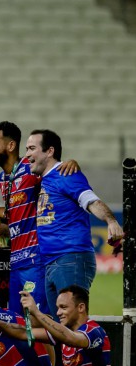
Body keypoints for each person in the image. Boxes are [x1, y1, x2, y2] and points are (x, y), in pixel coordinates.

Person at [0, 122, 80, 314]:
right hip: (15, 261)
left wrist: (70, 163)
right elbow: (15, 212)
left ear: (10, 146)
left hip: (34, 259)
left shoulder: (31, 169)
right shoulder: (3, 178)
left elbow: (54, 175)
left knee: (39, 319)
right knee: (17, 321)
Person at [25, 129, 124, 311]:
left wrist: (111, 221)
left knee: (73, 323)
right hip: (51, 261)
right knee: (60, 328)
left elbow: (91, 201)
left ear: (50, 151)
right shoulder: (43, 179)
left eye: (31, 148)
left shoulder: (66, 174)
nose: (27, 154)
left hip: (70, 257)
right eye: (26, 149)